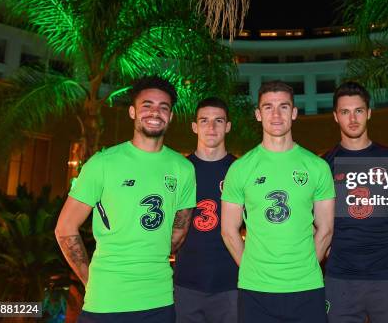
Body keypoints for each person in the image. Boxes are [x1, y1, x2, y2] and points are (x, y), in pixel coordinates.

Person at [55, 76, 196, 323]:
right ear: (132, 112)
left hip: (159, 300)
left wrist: (150, 255)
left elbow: (180, 230)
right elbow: (65, 228)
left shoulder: (183, 168)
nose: (156, 112)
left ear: (171, 117)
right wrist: (90, 279)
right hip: (105, 302)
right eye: (147, 105)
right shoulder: (102, 163)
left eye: (164, 107)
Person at [221, 80, 335, 323]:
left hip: (306, 287)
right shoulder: (240, 168)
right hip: (256, 289)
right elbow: (229, 230)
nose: (276, 114)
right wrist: (253, 269)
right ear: (258, 114)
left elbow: (325, 229)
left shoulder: (317, 167)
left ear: (294, 113)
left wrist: (303, 268)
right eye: (268, 107)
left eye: (283, 107)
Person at [323, 81, 388, 323]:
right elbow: (315, 222)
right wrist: (330, 252)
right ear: (335, 116)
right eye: (345, 112)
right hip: (340, 280)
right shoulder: (324, 165)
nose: (352, 118)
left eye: (358, 111)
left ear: (369, 113)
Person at [173, 97, 238, 322]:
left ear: (228, 126)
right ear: (194, 126)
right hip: (185, 284)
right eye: (204, 120)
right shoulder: (180, 170)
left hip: (231, 284)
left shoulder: (241, 170)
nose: (211, 127)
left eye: (218, 121)